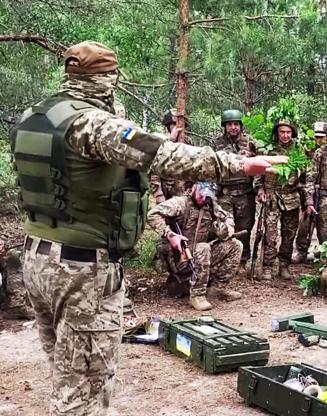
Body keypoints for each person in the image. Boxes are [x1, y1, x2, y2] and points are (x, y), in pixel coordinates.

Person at [10, 41, 284, 415]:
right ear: (108, 80)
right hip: (81, 270)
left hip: (38, 259)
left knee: (64, 371)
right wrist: (239, 165)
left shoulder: (35, 115)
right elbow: (163, 155)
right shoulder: (92, 123)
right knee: (84, 389)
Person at [147, 182, 243, 310]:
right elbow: (152, 214)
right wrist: (169, 234)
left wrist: (228, 226)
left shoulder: (210, 205)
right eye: (201, 195)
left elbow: (227, 217)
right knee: (203, 247)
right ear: (193, 189)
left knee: (235, 245)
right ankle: (197, 295)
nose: (203, 199)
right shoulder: (180, 203)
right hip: (178, 256)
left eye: (207, 196)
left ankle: (217, 288)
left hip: (199, 253)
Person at [255, 119, 307, 280]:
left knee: (289, 233)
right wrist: (260, 189)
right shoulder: (268, 149)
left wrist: (306, 197)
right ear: (277, 133)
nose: (285, 135)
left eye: (288, 132)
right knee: (270, 234)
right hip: (272, 195)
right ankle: (268, 266)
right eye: (282, 132)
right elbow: (258, 170)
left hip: (291, 196)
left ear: (293, 133)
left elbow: (305, 175)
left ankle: (284, 264)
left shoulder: (298, 150)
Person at [213, 109, 258, 265]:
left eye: (236, 124)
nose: (233, 127)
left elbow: (259, 167)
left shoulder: (250, 142)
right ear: (225, 126)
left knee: (245, 228)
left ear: (240, 126)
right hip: (225, 193)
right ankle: (227, 260)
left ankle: (243, 259)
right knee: (225, 228)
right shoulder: (217, 143)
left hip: (245, 192)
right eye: (229, 124)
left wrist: (259, 189)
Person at [293, 121, 327, 263]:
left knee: (324, 225)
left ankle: (324, 252)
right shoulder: (305, 151)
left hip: (325, 193)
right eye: (317, 137)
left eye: (323, 137)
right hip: (307, 191)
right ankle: (301, 250)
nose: (319, 140)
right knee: (305, 223)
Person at [150, 108, 192, 204]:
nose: (177, 127)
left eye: (181, 124)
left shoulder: (188, 142)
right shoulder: (162, 141)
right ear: (168, 126)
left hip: (183, 191)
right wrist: (158, 193)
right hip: (166, 190)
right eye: (174, 124)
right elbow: (154, 170)